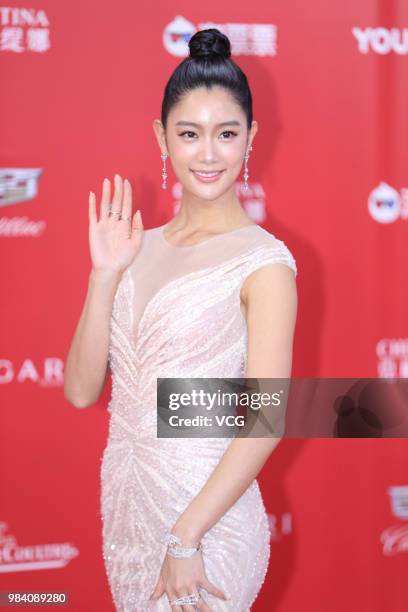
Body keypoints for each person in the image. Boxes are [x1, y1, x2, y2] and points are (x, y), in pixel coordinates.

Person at [64, 28, 298, 612]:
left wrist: (186, 534)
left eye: (227, 133)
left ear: (251, 138)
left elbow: (265, 420)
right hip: (127, 508)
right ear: (161, 138)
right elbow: (80, 390)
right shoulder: (133, 247)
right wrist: (104, 275)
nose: (209, 153)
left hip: (206, 523)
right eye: (189, 134)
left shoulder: (263, 263)